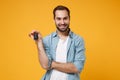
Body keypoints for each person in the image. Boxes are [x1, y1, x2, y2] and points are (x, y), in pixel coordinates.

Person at [29, 5, 85, 80]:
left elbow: (77, 67)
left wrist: (51, 64)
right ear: (54, 20)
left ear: (69, 19)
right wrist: (39, 43)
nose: (62, 22)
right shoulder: (47, 40)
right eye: (59, 19)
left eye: (65, 18)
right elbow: (45, 65)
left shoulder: (78, 40)